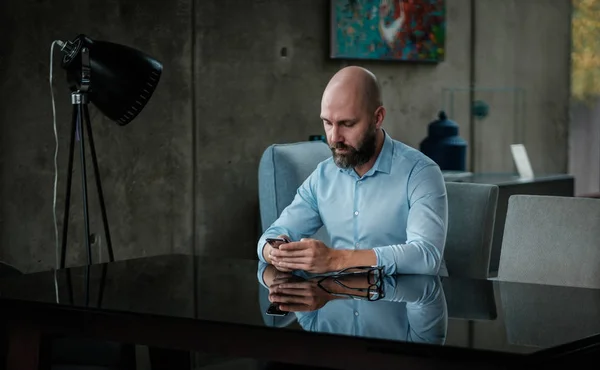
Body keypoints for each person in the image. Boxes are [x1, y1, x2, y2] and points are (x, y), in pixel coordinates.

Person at [257, 66, 447, 276]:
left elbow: (426, 256)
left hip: (406, 299)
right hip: (335, 300)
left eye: (347, 124)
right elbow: (271, 236)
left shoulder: (420, 173)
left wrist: (335, 259)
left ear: (378, 118)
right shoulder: (322, 177)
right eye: (327, 123)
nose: (334, 137)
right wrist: (276, 253)